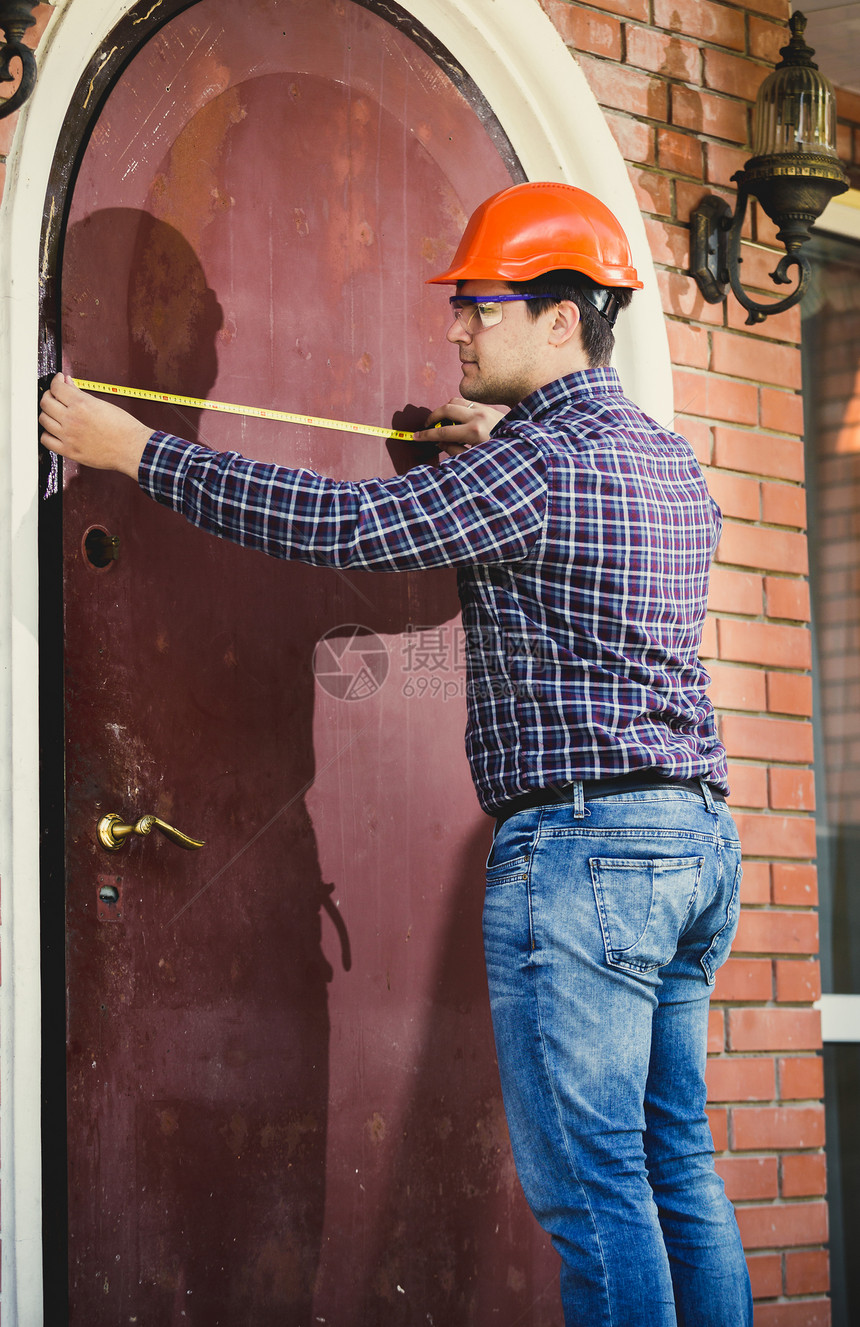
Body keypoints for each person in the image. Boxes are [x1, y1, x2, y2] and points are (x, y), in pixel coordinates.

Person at [40, 180, 752, 1326]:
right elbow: (547, 513)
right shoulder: (666, 464)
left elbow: (346, 529)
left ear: (560, 317)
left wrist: (139, 454)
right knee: (676, 1168)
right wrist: (488, 449)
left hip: (584, 852)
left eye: (480, 304)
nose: (456, 325)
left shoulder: (531, 470)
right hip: (691, 843)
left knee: (589, 1188)